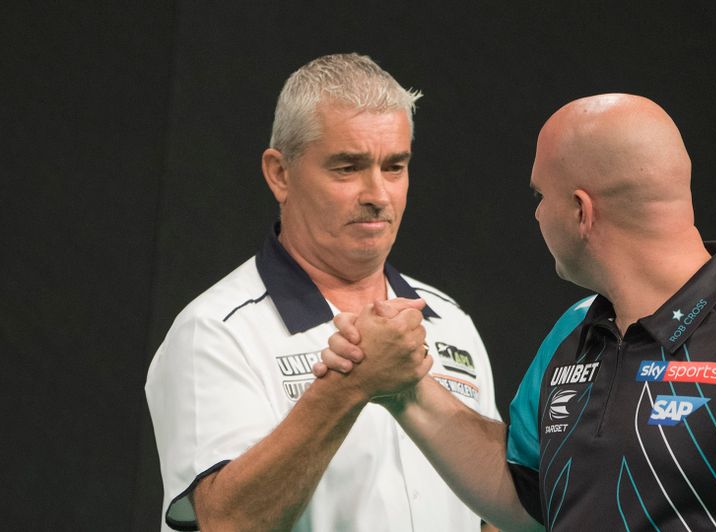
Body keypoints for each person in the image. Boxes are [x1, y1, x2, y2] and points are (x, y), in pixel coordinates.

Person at [319, 94, 716, 531]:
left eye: (540, 196)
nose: (534, 216)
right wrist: (405, 390)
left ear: (582, 212)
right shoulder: (572, 334)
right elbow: (528, 498)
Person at [144, 53, 501, 532]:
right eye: (348, 168)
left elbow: (491, 514)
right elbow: (226, 524)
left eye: (394, 167)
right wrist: (353, 384)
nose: (378, 193)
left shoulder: (449, 320)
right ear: (280, 174)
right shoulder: (214, 332)